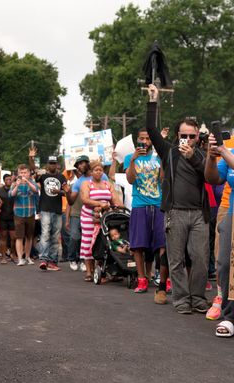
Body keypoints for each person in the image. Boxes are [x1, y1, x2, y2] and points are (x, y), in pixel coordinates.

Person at [146, 84, 209, 314]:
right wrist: (153, 101)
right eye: (184, 135)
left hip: (199, 215)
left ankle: (199, 298)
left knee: (201, 259)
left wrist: (193, 157)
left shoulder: (202, 154)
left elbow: (210, 175)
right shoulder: (169, 152)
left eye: (192, 136)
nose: (188, 139)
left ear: (197, 137)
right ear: (177, 136)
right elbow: (151, 130)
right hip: (176, 213)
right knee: (176, 260)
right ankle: (182, 300)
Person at [124, 128, 167, 302]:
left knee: (162, 243)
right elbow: (130, 180)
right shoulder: (130, 157)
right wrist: (134, 159)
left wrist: (162, 158)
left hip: (158, 204)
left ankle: (165, 279)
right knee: (138, 244)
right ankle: (142, 279)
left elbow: (163, 179)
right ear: (137, 140)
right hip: (139, 204)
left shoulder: (158, 156)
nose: (145, 141)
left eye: (148, 138)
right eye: (142, 138)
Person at [205, 133, 234, 336]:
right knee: (225, 264)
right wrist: (211, 157)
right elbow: (212, 178)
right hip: (232, 213)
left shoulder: (228, 152)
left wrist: (223, 151)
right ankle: (230, 316)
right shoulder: (230, 150)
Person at [79, 161, 122, 282]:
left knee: (103, 241)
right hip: (88, 216)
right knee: (88, 241)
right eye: (95, 170)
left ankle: (103, 270)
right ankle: (89, 271)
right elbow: (85, 199)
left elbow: (115, 200)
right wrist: (100, 204)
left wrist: (121, 206)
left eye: (100, 170)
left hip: (105, 216)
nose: (98, 172)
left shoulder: (107, 184)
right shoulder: (86, 183)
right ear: (91, 172)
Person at [37, 156, 67, 271]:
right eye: (51, 163)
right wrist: (31, 158)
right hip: (45, 209)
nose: (52, 165)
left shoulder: (61, 177)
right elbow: (34, 170)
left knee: (55, 236)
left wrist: (59, 191)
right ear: (47, 164)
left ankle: (53, 261)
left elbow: (67, 191)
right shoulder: (43, 176)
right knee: (45, 234)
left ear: (57, 165)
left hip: (58, 210)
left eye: (54, 163)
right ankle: (44, 259)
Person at [9, 164, 39, 266]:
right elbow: (11, 195)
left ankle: (27, 257)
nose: (23, 174)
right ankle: (20, 258)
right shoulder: (14, 184)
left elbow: (36, 191)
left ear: (29, 173)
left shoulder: (32, 182)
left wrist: (27, 182)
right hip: (18, 213)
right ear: (18, 174)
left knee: (29, 237)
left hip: (30, 213)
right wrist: (17, 185)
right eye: (21, 173)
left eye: (25, 172)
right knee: (19, 237)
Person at [0, 174, 16, 263]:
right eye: (7, 179)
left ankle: (12, 254)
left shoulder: (14, 190)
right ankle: (3, 257)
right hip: (2, 217)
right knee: (3, 238)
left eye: (10, 179)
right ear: (4, 181)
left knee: (14, 237)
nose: (9, 181)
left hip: (13, 217)